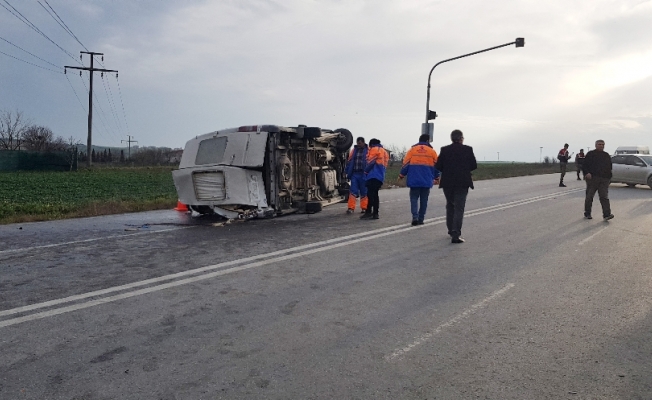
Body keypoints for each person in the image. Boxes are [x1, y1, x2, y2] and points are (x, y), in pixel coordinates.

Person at [435, 129, 477, 243]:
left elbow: (438, 165)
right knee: (459, 208)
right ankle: (456, 233)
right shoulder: (468, 149)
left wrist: (448, 169)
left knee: (450, 205)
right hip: (463, 182)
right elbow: (473, 165)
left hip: (447, 182)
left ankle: (450, 230)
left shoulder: (444, 150)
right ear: (461, 138)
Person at [398, 134, 440, 226]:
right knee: (424, 200)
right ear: (427, 141)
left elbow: (405, 164)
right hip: (426, 180)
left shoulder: (412, 150)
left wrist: (401, 175)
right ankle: (421, 219)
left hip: (414, 179)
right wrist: (437, 177)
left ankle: (415, 217)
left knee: (414, 199)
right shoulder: (432, 152)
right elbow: (437, 166)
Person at [582, 140, 614, 220]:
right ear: (596, 145)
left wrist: (609, 178)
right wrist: (586, 173)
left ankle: (607, 214)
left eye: (603, 144)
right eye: (599, 144)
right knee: (589, 196)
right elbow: (584, 165)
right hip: (592, 179)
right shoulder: (590, 154)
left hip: (604, 180)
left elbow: (609, 167)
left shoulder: (606, 155)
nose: (601, 146)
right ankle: (587, 213)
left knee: (604, 197)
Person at [361, 138, 389, 220]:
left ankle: (369, 212)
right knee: (375, 194)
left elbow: (371, 162)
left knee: (370, 194)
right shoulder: (384, 152)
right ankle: (375, 213)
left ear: (371, 144)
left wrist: (366, 172)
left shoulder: (374, 149)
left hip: (372, 175)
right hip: (380, 175)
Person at [345, 137, 368, 214]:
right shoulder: (354, 151)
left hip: (363, 174)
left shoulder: (368, 151)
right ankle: (351, 208)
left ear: (363, 142)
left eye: (360, 143)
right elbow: (350, 161)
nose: (358, 145)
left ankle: (364, 208)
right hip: (355, 173)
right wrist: (347, 171)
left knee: (364, 191)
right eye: (357, 143)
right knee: (353, 191)